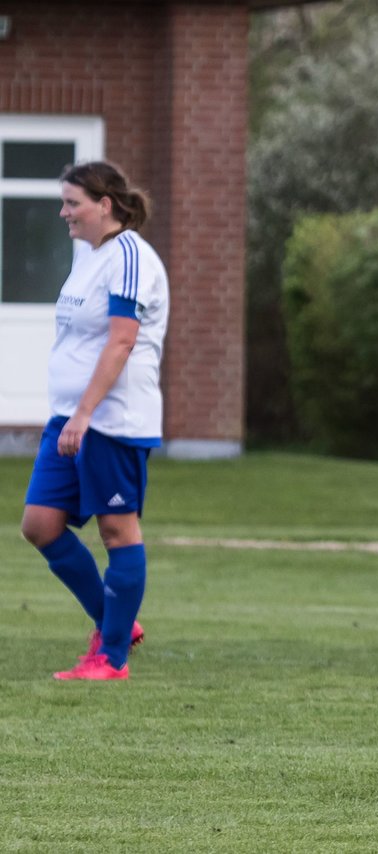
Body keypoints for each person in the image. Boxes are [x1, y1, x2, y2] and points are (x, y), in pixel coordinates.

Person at [19, 161, 169, 680]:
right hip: (72, 416)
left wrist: (84, 413)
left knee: (117, 532)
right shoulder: (90, 256)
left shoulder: (128, 255)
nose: (64, 213)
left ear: (104, 205)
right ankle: (115, 624)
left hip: (111, 419)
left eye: (72, 203)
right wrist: (70, 413)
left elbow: (122, 340)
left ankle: (111, 657)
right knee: (39, 525)